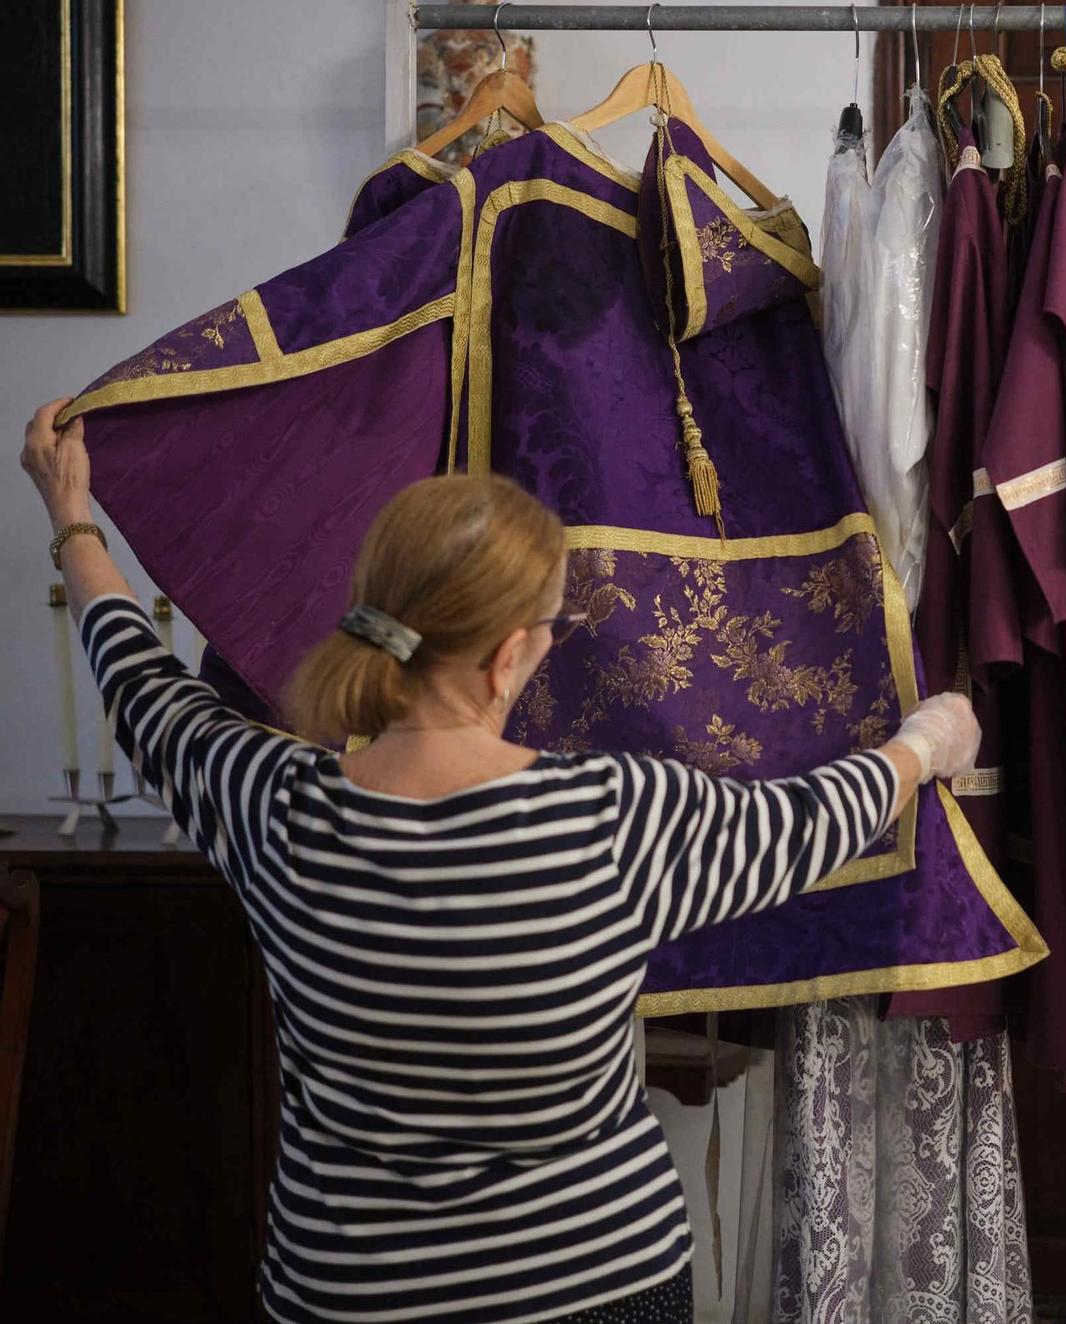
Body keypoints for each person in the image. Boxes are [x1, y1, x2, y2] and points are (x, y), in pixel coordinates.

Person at [19, 399, 982, 1324]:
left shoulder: (273, 805)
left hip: (350, 1294)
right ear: (509, 654)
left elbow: (140, 689)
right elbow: (809, 819)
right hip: (599, 1286)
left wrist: (72, 516)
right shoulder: (614, 816)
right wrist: (926, 742)